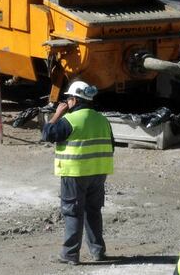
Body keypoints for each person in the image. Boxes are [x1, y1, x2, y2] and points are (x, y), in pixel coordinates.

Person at [42, 80, 114, 265]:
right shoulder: (102, 119)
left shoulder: (70, 120)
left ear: (74, 100)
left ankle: (70, 254)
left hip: (75, 173)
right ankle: (98, 251)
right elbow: (111, 145)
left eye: (68, 99)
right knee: (93, 212)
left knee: (73, 212)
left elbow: (47, 134)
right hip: (98, 173)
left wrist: (57, 114)